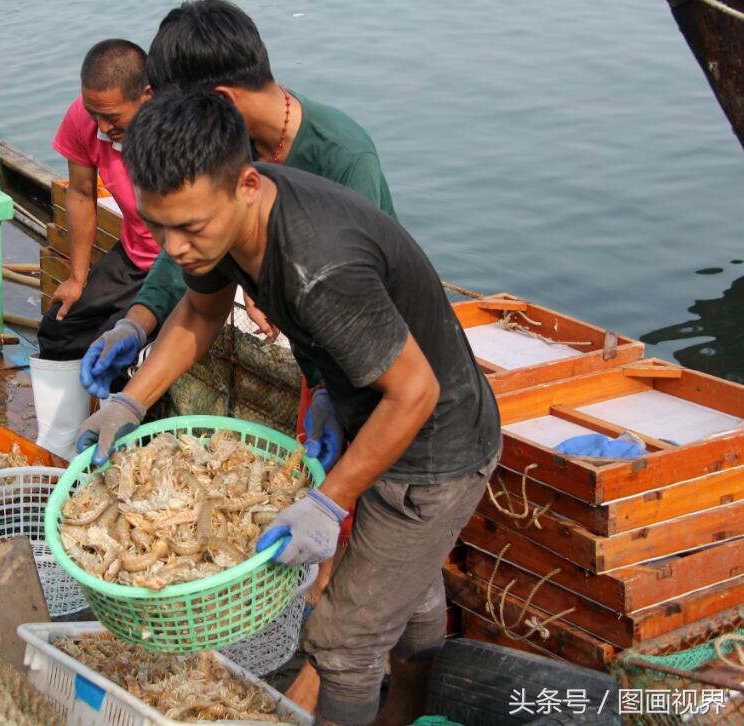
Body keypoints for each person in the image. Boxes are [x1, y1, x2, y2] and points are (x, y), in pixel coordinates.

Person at [77, 91, 501, 726]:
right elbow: (199, 311)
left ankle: (395, 702)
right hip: (373, 406)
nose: (175, 248)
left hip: (433, 447)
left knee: (342, 642)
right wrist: (128, 403)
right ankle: (413, 705)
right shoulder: (228, 217)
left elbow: (416, 394)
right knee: (405, 592)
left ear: (247, 184)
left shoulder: (316, 266)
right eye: (158, 225)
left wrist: (329, 503)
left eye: (189, 229)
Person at [80, 0, 397, 404]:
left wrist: (329, 394)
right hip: (315, 368)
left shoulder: (343, 159)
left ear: (221, 102)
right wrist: (136, 324)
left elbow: (361, 314)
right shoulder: (230, 145)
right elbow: (190, 252)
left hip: (372, 371)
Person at [32, 38, 161, 457]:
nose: (102, 128)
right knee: (60, 326)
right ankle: (60, 451)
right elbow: (83, 194)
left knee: (120, 351)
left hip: (180, 263)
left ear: (147, 95)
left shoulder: (174, 127)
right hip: (133, 253)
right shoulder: (85, 120)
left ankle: (115, 455)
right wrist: (76, 277)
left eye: (112, 118)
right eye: (94, 115)